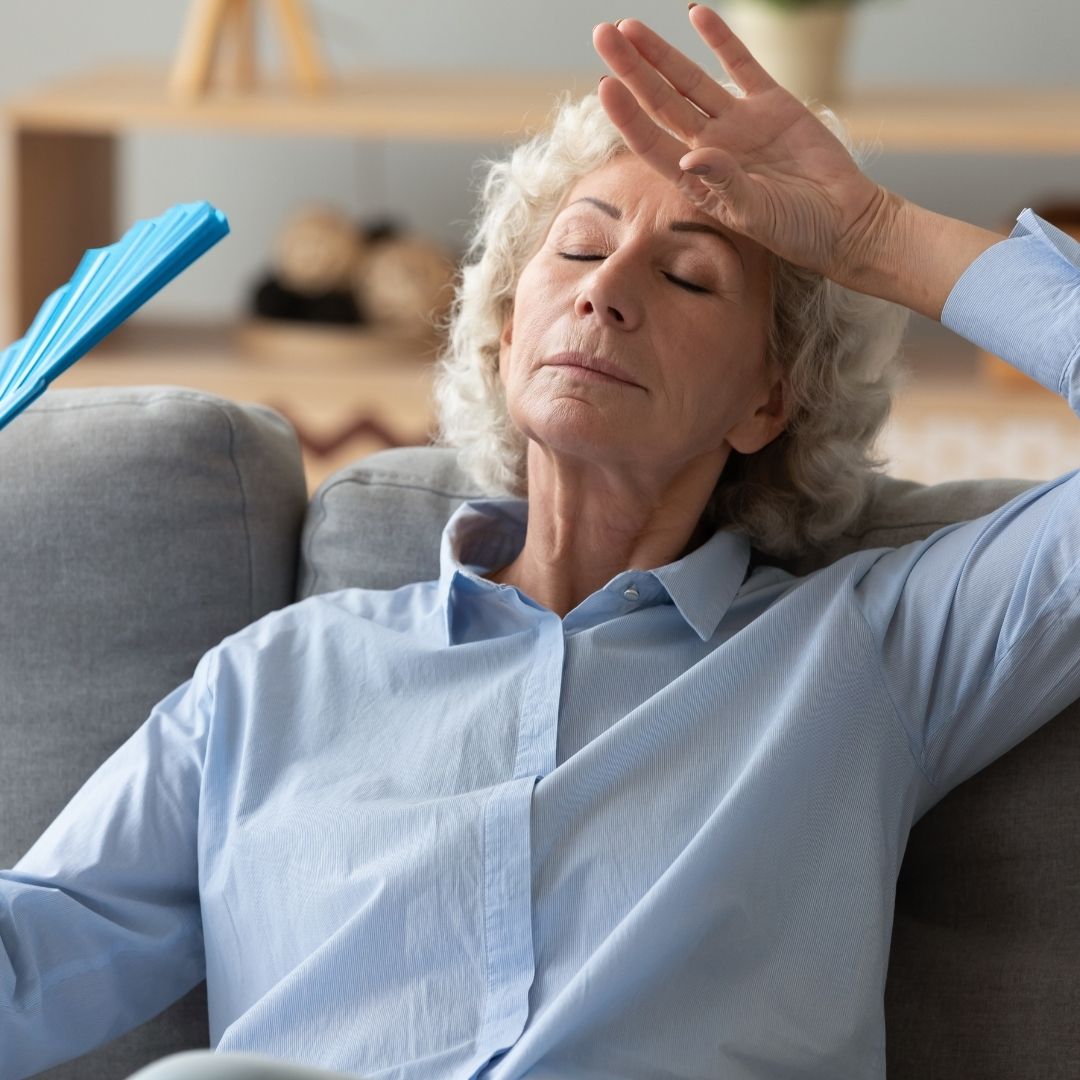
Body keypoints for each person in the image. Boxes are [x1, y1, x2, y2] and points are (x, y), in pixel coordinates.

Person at [5, 7, 1080, 1080]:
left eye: (689, 276)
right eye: (580, 248)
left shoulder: (870, 651)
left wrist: (878, 235)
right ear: (508, 327)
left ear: (768, 400)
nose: (607, 294)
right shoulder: (266, 684)